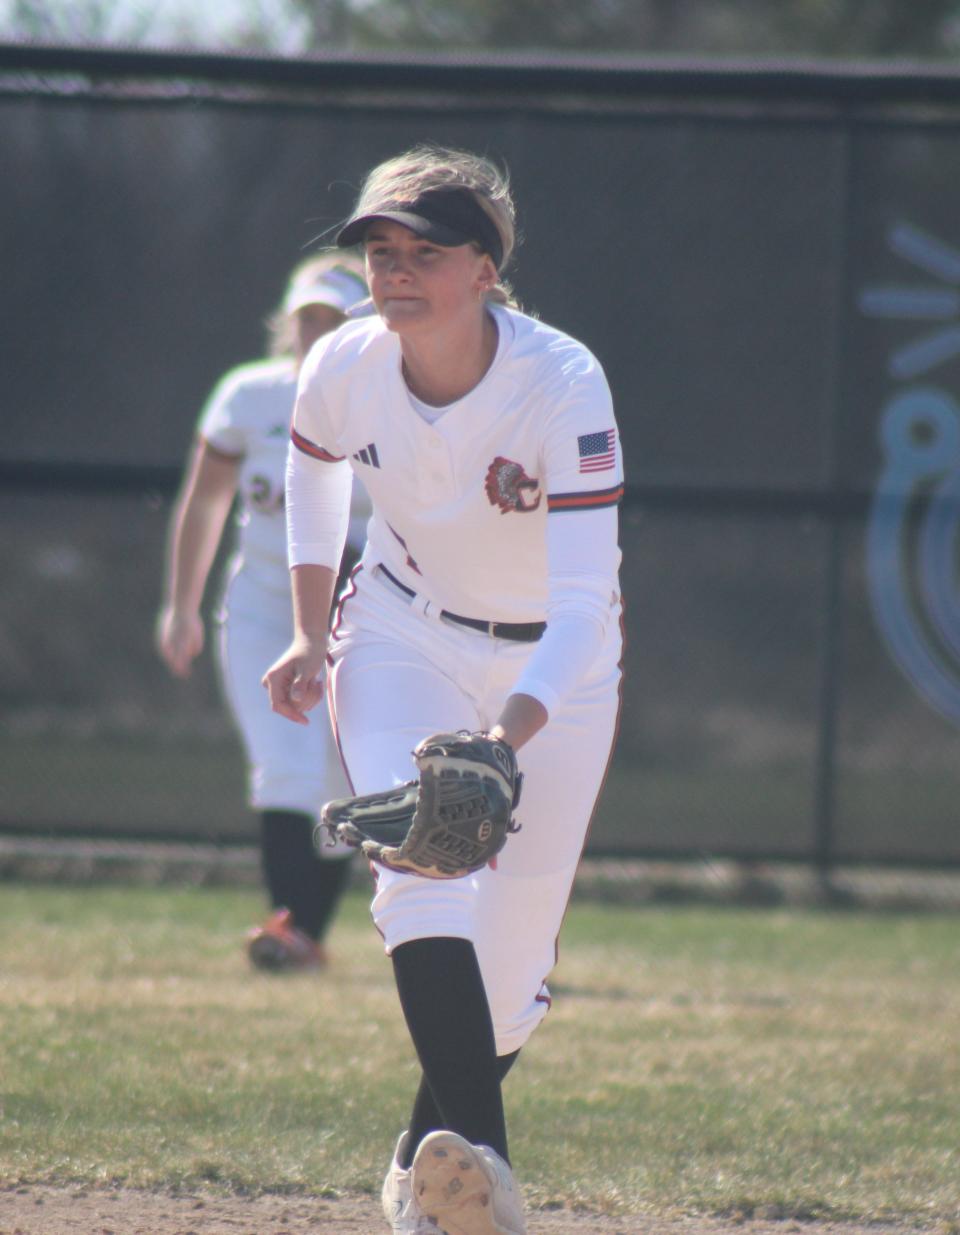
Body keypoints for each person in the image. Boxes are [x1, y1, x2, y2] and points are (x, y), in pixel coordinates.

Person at [263, 146, 624, 1234]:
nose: (397, 270)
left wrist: (507, 736)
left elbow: (581, 600)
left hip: (558, 668)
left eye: (427, 251)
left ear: (485, 267)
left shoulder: (562, 382)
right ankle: (488, 1191)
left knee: (509, 980)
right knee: (418, 866)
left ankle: (418, 1165)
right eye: (381, 249)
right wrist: (306, 629)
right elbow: (315, 472)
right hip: (400, 632)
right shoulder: (345, 366)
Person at [157, 251, 371, 973]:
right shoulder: (248, 395)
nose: (317, 331)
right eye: (307, 316)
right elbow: (205, 499)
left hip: (358, 614)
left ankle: (305, 932)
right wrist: (181, 604)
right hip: (261, 608)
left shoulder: (391, 397)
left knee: (344, 780)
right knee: (283, 769)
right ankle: (291, 930)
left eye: (333, 318)